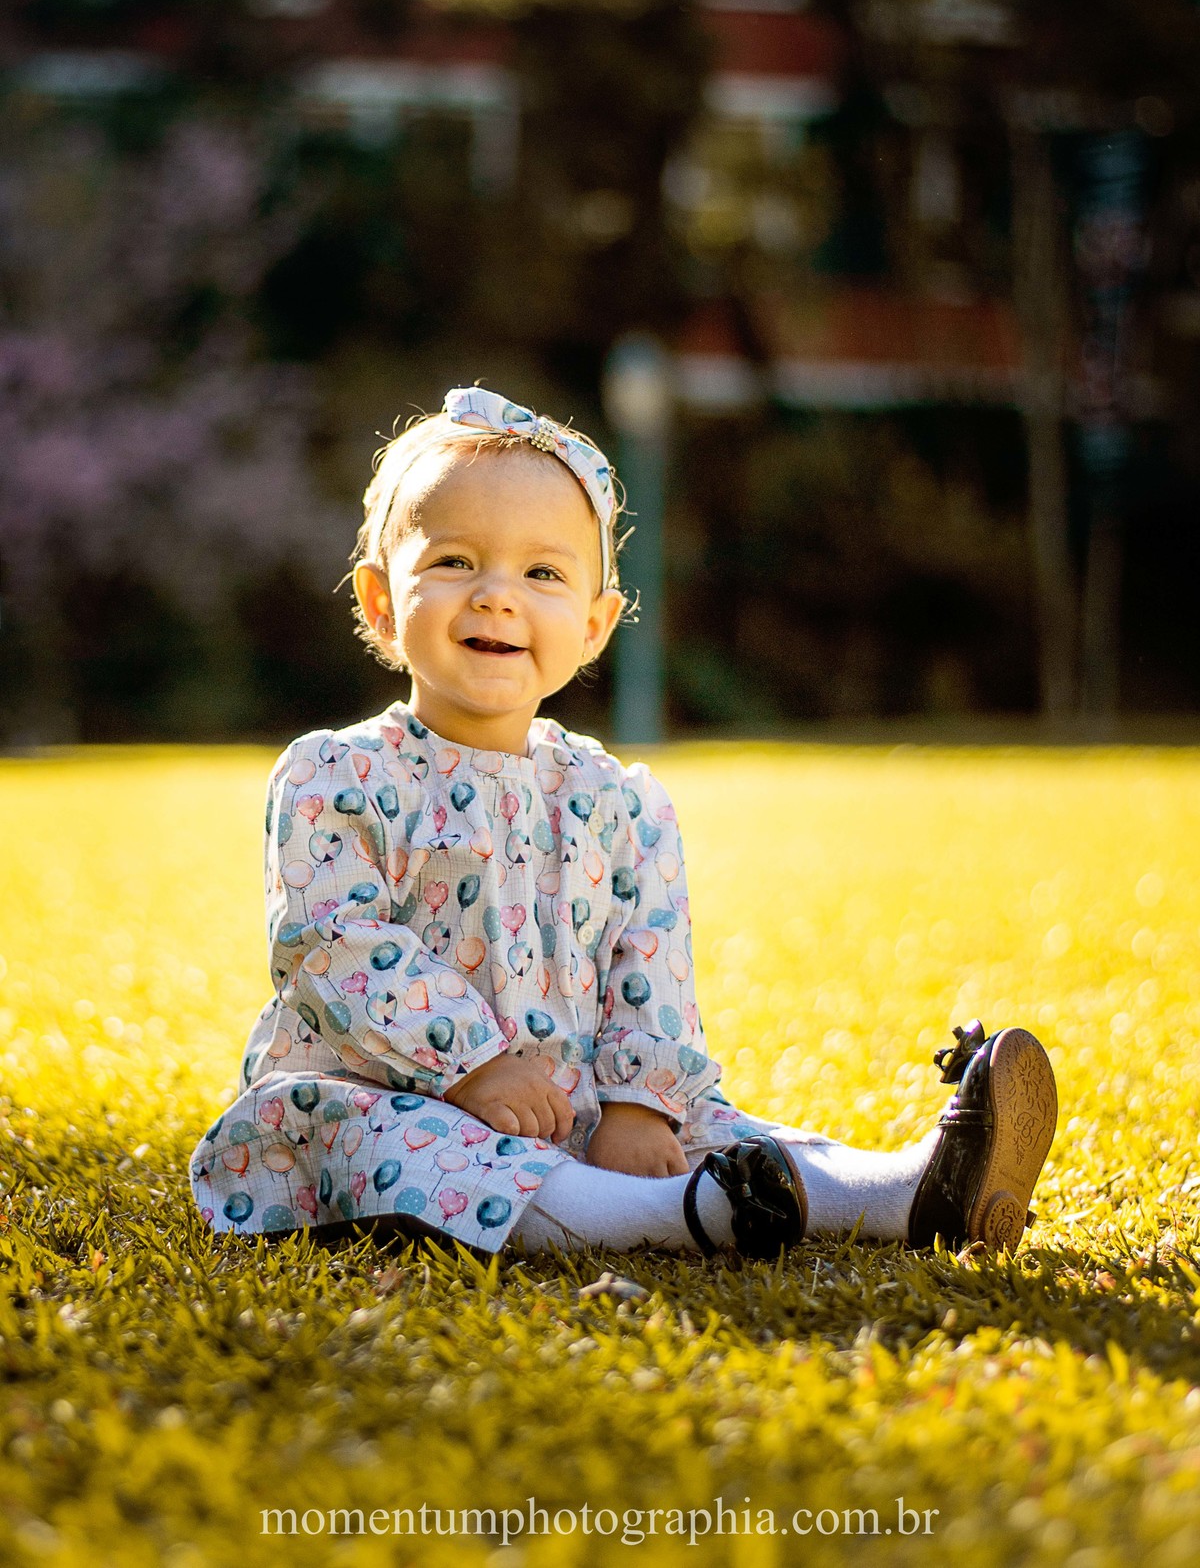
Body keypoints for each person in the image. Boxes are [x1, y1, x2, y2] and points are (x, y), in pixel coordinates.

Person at [189, 386, 1058, 1261]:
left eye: (543, 573)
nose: (497, 597)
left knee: (721, 1129)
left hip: (582, 1101)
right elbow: (331, 944)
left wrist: (640, 1104)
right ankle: (673, 1217)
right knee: (393, 1142)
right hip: (389, 1093)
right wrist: (473, 1067)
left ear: (596, 624)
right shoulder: (336, 777)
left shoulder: (616, 800)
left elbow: (652, 962)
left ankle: (909, 1193)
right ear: (380, 601)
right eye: (454, 561)